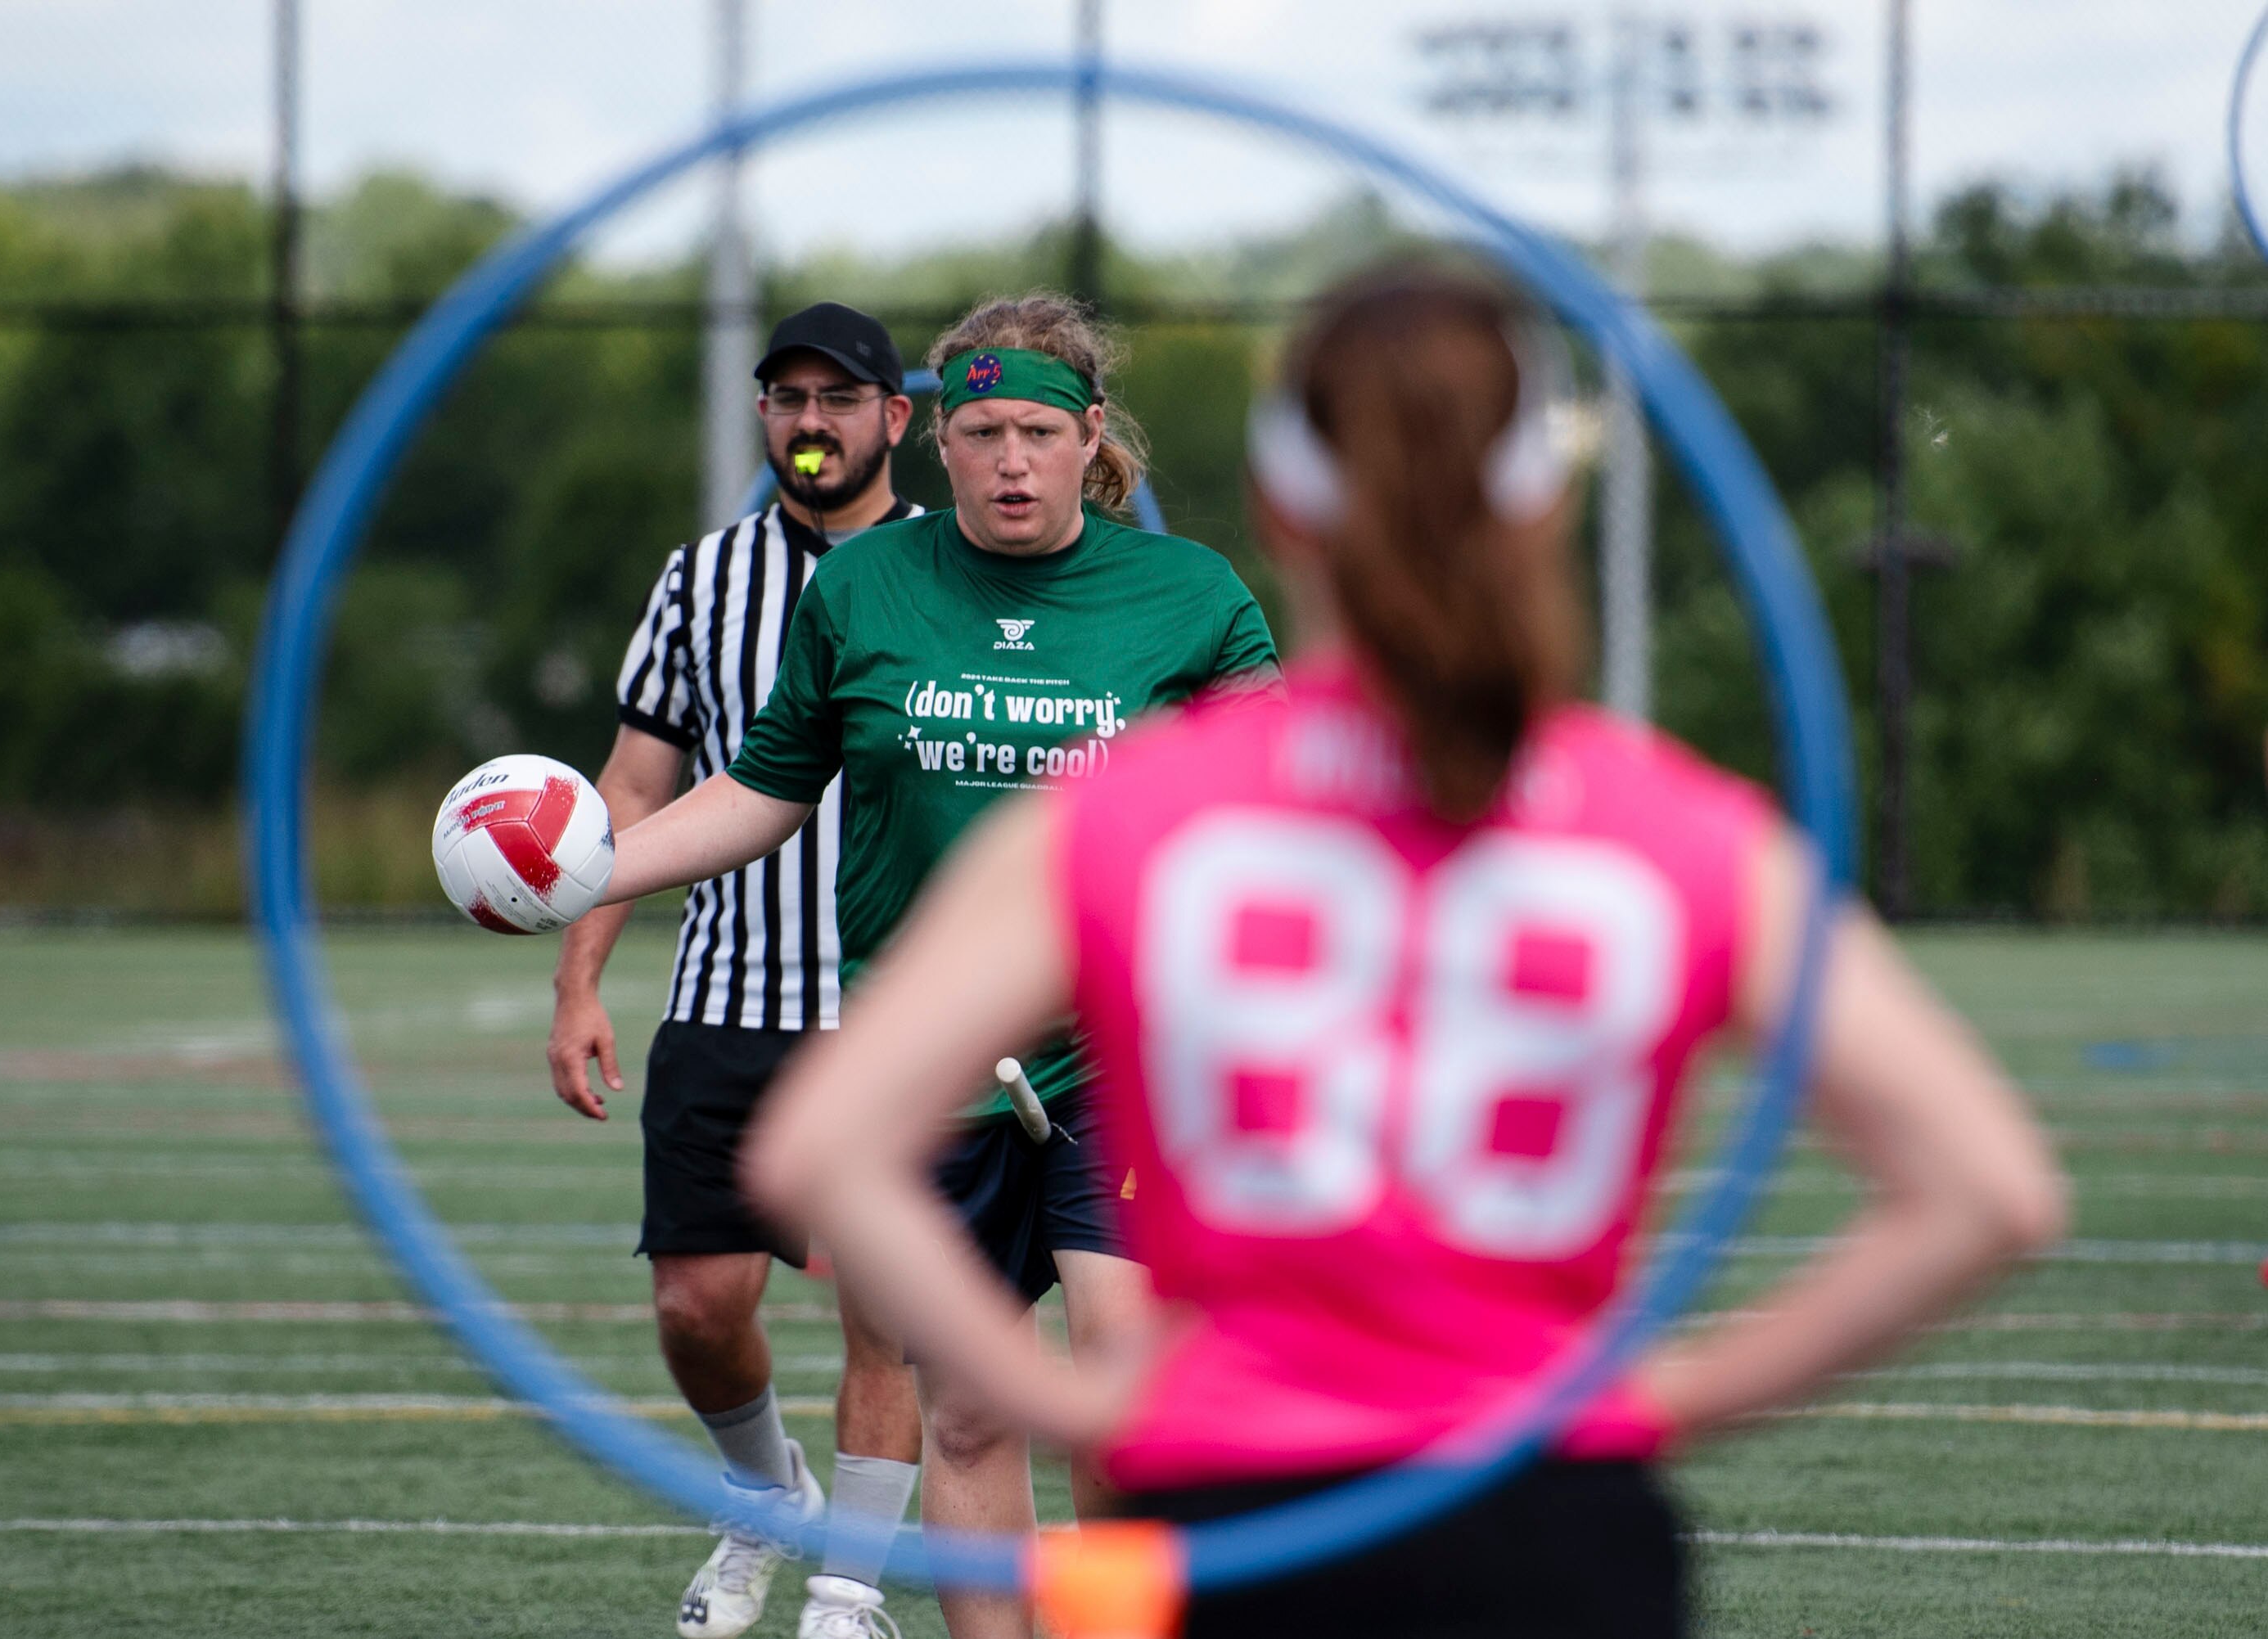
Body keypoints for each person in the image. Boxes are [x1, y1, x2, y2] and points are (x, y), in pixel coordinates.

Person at [744, 264, 2068, 1638]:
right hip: (1555, 1517)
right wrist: (1659, 1401)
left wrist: (1061, 1402)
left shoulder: (1127, 814)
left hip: (1239, 1511)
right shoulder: (1680, 830)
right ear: (1544, 501)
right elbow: (1992, 1192)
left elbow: (818, 1146)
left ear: (1280, 508)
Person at [583, 293, 1282, 1639]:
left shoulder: (1193, 598)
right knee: (967, 1406)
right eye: (981, 432)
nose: (1010, 460)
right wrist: (588, 869)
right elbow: (764, 788)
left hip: (1125, 1045)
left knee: (1119, 1366)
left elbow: (1288, 809)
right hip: (930, 1055)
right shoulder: (862, 589)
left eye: (1036, 430)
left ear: (1091, 442)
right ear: (936, 444)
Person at [545, 302, 928, 1639]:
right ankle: (765, 1496)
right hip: (726, 999)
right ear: (762, 415)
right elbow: (637, 786)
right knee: (697, 1307)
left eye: (840, 399)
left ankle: (847, 1593)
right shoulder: (700, 579)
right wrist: (579, 979)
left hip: (898, 1011)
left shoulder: (954, 571)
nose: (811, 423)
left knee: (888, 1317)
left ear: (899, 417)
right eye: (787, 399)